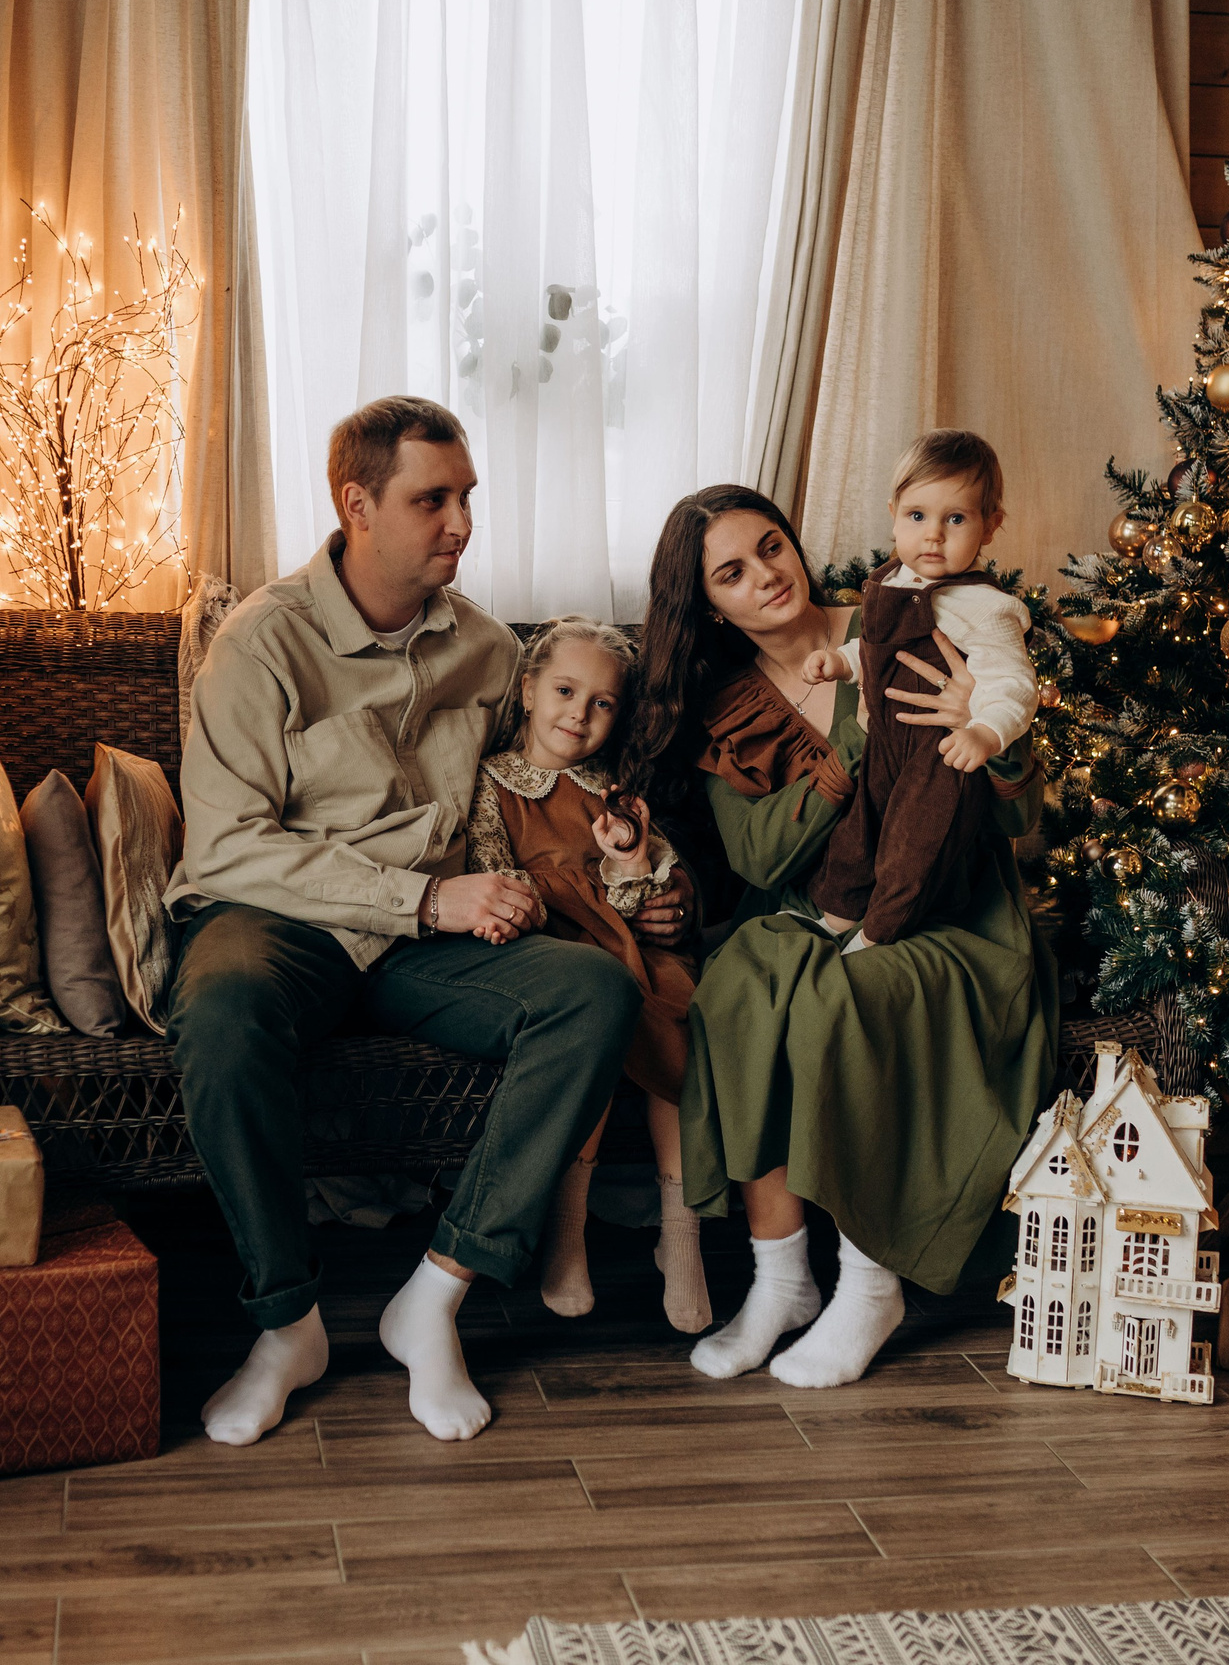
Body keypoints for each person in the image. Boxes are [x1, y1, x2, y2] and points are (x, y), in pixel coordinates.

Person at [164, 395, 685, 1447]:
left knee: (593, 992)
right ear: (355, 504)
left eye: (467, 497)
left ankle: (435, 1294)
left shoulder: (489, 649)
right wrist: (424, 898)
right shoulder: (260, 643)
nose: (461, 522)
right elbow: (224, 849)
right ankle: (287, 1325)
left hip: (431, 943)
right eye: (431, 499)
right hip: (283, 922)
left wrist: (637, 872)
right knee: (218, 1011)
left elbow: (545, 784)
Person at [624, 483, 1057, 1390]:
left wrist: (986, 729)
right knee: (738, 983)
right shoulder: (726, 704)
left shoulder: (904, 618)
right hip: (806, 907)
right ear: (710, 605)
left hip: (950, 911)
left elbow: (1020, 817)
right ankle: (782, 1279)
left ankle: (869, 1284)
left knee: (846, 994)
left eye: (770, 546)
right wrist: (859, 741)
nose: (765, 575)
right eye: (731, 573)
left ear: (794, 543)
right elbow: (759, 853)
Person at [461, 617, 709, 1332]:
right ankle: (567, 1233)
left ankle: (682, 1236)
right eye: (566, 692)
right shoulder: (494, 782)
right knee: (587, 1027)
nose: (580, 714)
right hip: (556, 949)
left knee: (676, 1010)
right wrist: (552, 904)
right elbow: (495, 876)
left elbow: (651, 886)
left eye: (602, 702)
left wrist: (631, 871)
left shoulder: (617, 795)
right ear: (529, 690)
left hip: (635, 948)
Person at [800, 431, 1039, 947]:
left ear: (990, 526)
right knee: (859, 832)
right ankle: (837, 917)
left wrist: (985, 733)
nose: (933, 535)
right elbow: (878, 648)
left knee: (914, 846)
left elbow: (1014, 683)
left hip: (942, 756)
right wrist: (841, 662)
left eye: (955, 519)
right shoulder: (891, 581)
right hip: (886, 742)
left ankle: (879, 933)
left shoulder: (986, 608)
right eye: (917, 516)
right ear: (893, 516)